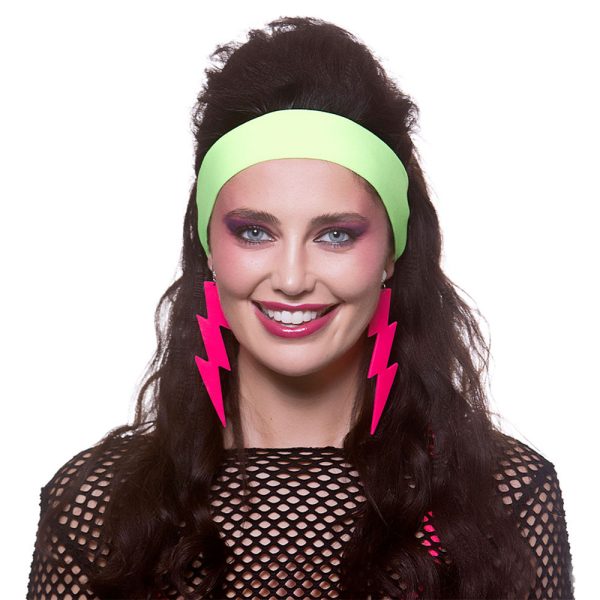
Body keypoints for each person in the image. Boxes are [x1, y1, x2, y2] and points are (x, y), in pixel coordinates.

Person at [27, 16, 574, 600]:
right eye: (254, 232)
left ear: (391, 252)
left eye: (335, 235)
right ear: (209, 246)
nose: (291, 279)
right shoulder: (98, 508)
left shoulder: (503, 500)